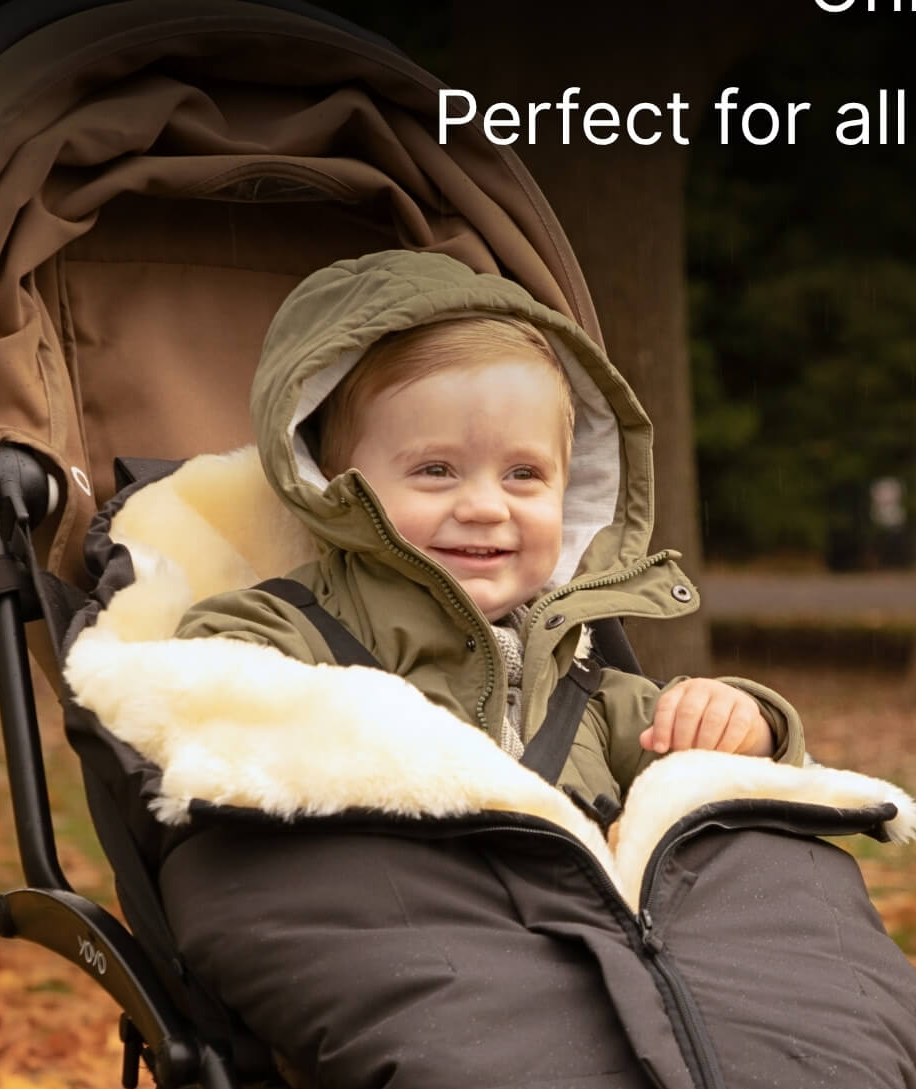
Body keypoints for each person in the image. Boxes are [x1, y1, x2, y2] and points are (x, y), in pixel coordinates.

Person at [175, 251, 803, 810]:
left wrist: (747, 724)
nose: (484, 507)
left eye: (524, 474)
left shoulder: (584, 686)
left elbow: (714, 777)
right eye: (436, 469)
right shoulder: (299, 626)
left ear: (571, 489)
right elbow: (208, 676)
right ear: (335, 485)